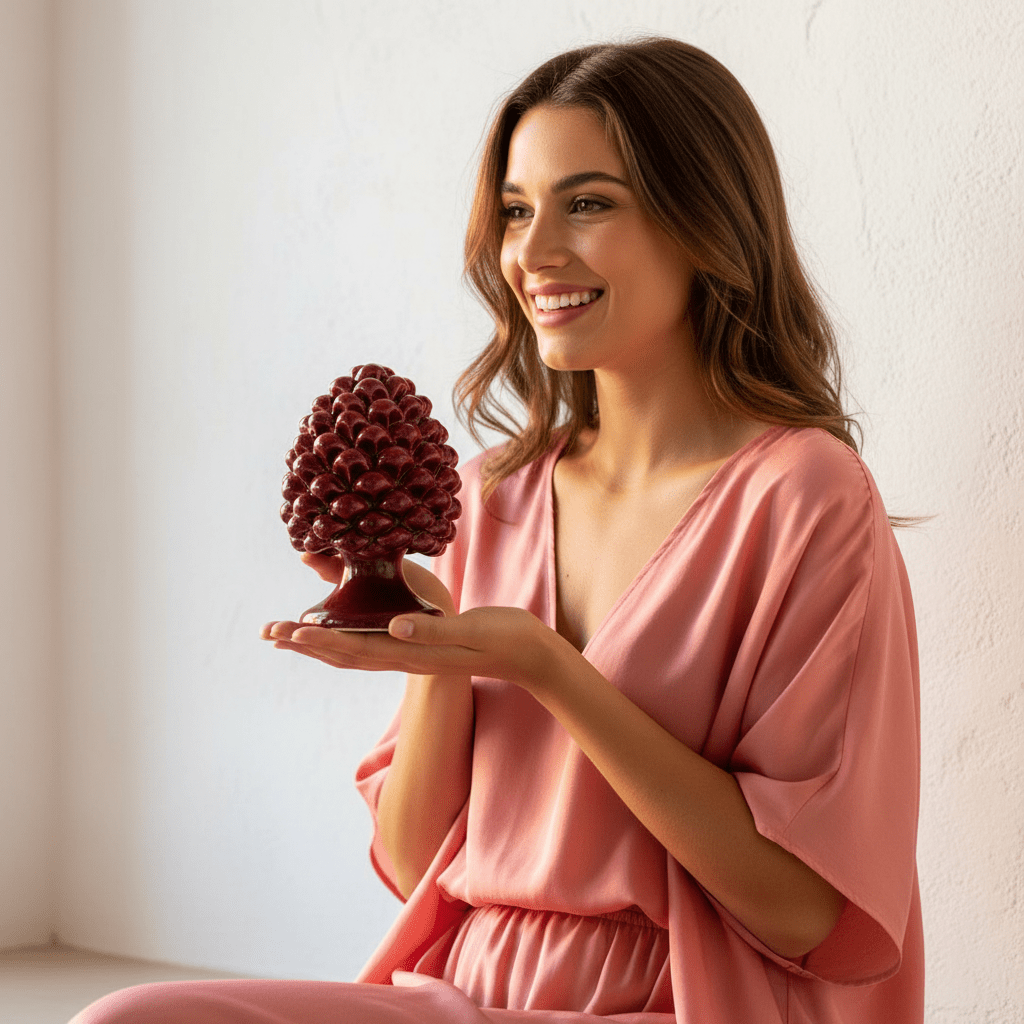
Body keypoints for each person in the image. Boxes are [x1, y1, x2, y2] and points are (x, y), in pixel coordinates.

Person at [71, 36, 923, 1024]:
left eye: (589, 202)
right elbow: (408, 856)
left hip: (682, 1000)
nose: (535, 250)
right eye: (517, 210)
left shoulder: (805, 496)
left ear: (705, 221)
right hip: (464, 991)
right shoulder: (492, 493)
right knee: (131, 1020)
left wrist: (550, 671)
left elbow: (803, 907)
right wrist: (436, 654)